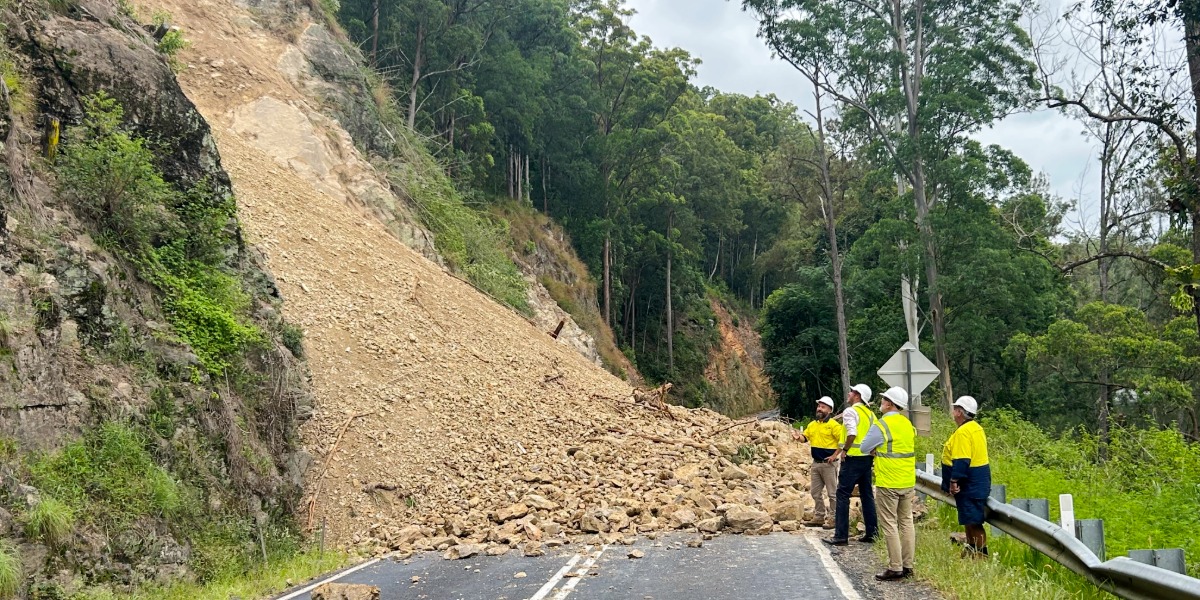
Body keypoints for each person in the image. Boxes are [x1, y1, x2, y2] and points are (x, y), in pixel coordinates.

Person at [860, 387, 916, 581]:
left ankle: (895, 567)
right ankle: (908, 565)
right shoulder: (908, 424)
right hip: (907, 480)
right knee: (906, 522)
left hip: (888, 481)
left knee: (890, 524)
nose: (881, 401)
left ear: (890, 403)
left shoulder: (882, 425)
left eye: (884, 399)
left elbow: (864, 446)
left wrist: (876, 450)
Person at [823, 383, 879, 547]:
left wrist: (845, 450)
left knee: (842, 495)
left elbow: (852, 433)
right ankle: (872, 533)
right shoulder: (870, 414)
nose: (849, 393)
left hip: (853, 458)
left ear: (858, 396)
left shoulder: (850, 411)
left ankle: (840, 536)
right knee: (867, 495)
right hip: (866, 459)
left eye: (852, 391)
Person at [941, 395, 992, 558]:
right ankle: (971, 551)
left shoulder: (963, 432)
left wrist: (954, 480)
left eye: (956, 409)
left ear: (960, 412)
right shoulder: (976, 428)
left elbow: (962, 459)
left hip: (970, 482)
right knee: (969, 519)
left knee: (974, 521)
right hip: (977, 480)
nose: (953, 412)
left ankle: (981, 556)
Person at [792, 396, 845, 529]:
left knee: (832, 493)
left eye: (823, 407)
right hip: (816, 463)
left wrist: (834, 456)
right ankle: (819, 516)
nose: (819, 409)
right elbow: (806, 438)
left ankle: (833, 519)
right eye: (819, 406)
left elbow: (842, 442)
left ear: (830, 410)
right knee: (815, 492)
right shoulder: (812, 424)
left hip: (829, 464)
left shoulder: (834, 426)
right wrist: (799, 438)